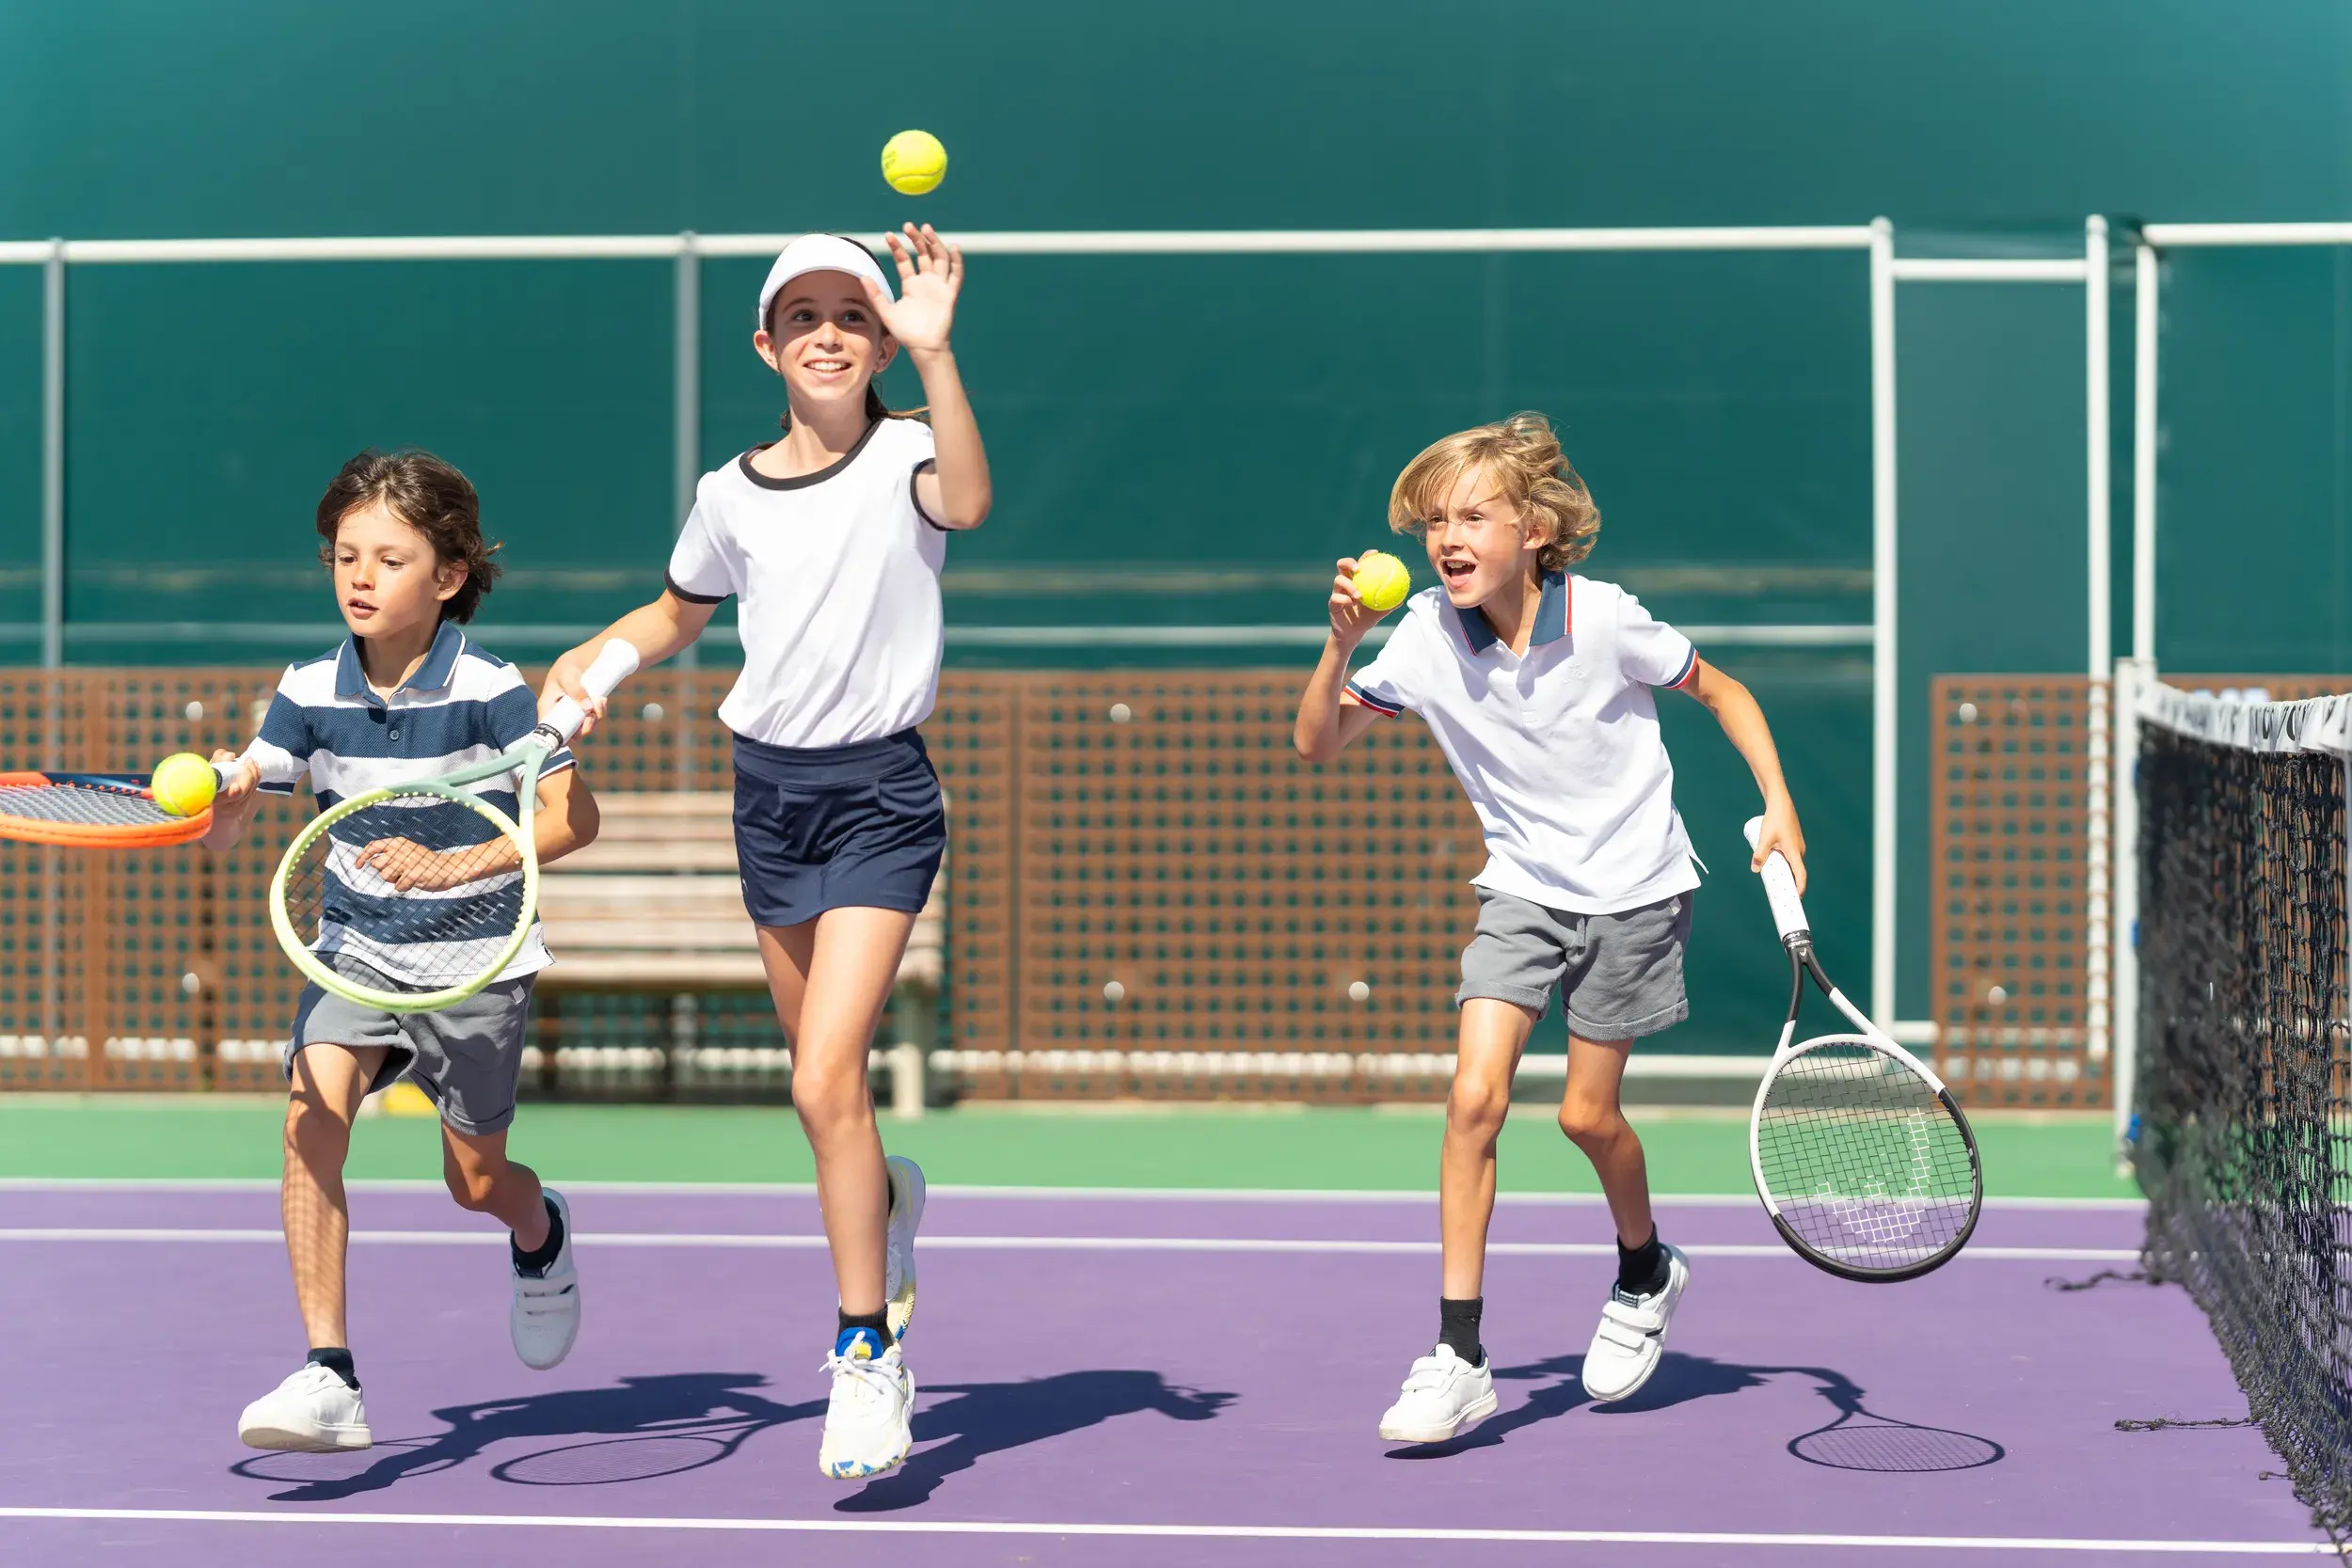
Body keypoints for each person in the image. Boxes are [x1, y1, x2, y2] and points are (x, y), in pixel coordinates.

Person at [539, 227, 991, 1481]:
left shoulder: (909, 451)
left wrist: (939, 355)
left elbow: (968, 499)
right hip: (768, 798)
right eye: (805, 317)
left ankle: (864, 1351)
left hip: (881, 797)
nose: (833, 333)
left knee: (817, 1080)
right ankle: (890, 1206)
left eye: (855, 313)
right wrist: (601, 667)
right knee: (825, 1086)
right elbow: (680, 610)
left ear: (881, 335)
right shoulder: (728, 492)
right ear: (767, 344)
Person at [1292, 413, 1807, 1443]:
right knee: (1470, 1099)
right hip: (1521, 889)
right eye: (1435, 519)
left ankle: (1644, 1265)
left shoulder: (1607, 618)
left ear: (1532, 527)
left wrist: (1779, 801)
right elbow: (1317, 741)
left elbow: (1724, 690)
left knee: (1584, 1117)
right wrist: (1340, 641)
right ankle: (1458, 1352)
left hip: (1636, 888)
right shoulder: (1428, 632)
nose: (1448, 536)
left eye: (1472, 514)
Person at [204, 449, 601, 1452]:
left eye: (388, 556)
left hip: (475, 964)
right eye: (346, 555)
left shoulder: (492, 688)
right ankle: (328, 1372)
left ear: (450, 575)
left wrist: (459, 863)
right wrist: (228, 790)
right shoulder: (308, 686)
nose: (360, 576)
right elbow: (237, 815)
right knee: (309, 1118)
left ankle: (537, 1227)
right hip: (356, 958)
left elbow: (571, 818)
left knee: (473, 1180)